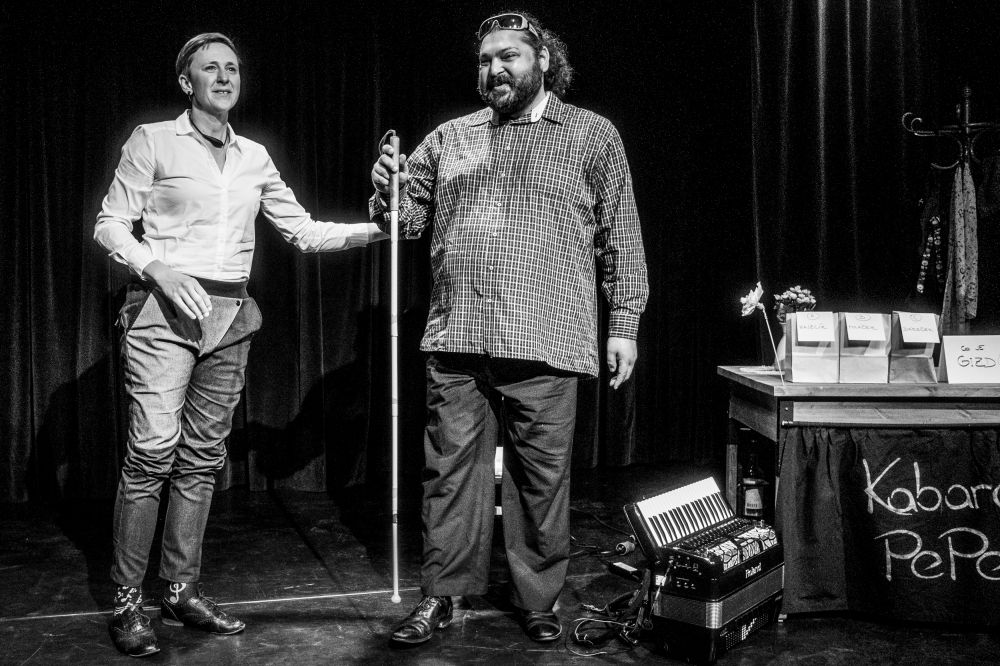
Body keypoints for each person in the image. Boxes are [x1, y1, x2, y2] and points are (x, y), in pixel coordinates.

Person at [95, 32, 386, 657]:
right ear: (187, 82)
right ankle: (127, 599)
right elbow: (110, 223)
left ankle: (180, 589)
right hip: (163, 309)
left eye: (232, 67)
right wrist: (157, 268)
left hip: (230, 316)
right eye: (211, 68)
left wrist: (380, 231)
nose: (225, 77)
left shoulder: (254, 156)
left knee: (202, 458)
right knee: (152, 451)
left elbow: (303, 231)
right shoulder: (153, 140)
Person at [370, 11, 648, 646]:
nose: (494, 70)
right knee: (449, 476)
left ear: (543, 61)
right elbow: (403, 223)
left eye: (508, 57)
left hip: (548, 336)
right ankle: (441, 595)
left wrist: (624, 322)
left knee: (540, 482)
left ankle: (538, 601)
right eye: (485, 60)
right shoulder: (450, 138)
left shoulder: (592, 135)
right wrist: (388, 189)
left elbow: (622, 235)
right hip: (459, 335)